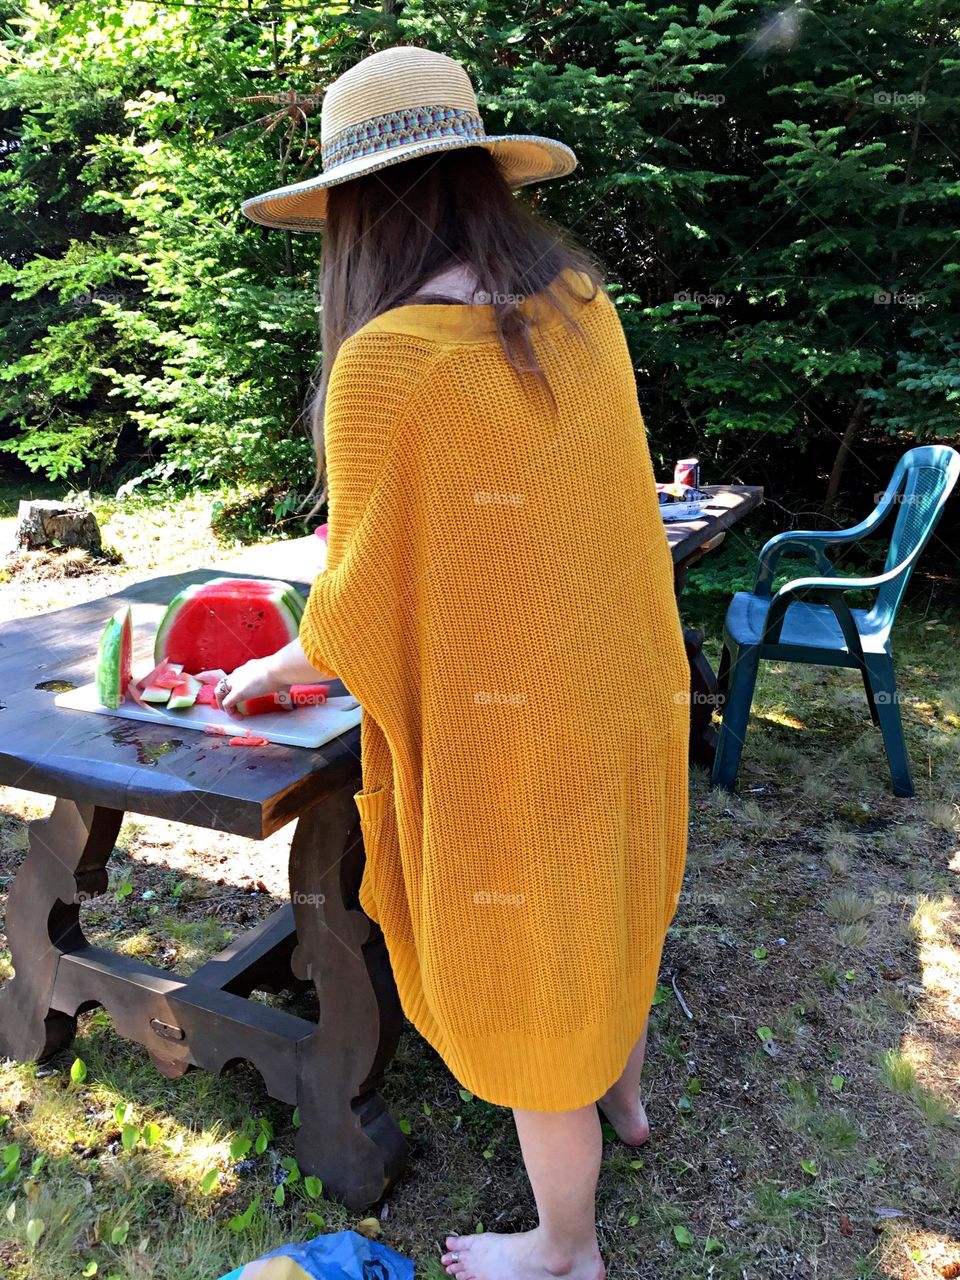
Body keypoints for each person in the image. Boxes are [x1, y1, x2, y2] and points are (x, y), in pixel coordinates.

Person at [222, 44, 690, 1280]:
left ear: (360, 208)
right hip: (627, 685)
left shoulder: (388, 362)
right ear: (480, 177)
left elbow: (363, 595)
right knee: (615, 909)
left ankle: (565, 1243)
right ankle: (628, 1106)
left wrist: (280, 666)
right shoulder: (580, 308)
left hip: (523, 733)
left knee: (538, 963)